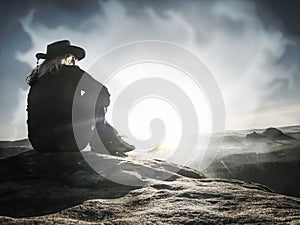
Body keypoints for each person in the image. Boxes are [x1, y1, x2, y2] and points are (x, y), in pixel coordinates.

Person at [26, 40, 134, 156]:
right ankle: (106, 142)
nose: (74, 61)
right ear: (67, 57)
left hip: (40, 144)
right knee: (95, 97)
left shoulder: (37, 82)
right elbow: (103, 94)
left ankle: (110, 138)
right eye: (73, 57)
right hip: (69, 143)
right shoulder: (71, 72)